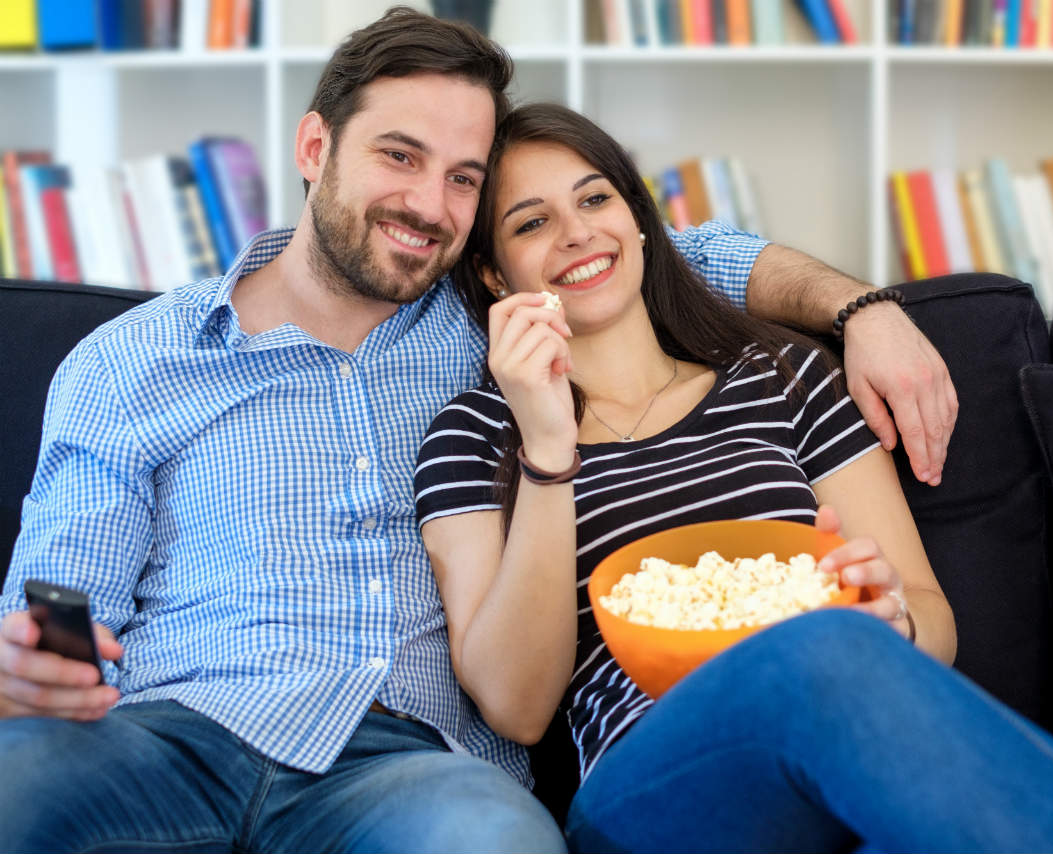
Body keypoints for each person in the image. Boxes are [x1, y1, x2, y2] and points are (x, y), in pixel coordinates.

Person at [0, 8, 958, 853]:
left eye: (464, 179)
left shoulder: (500, 317)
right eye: (399, 155)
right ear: (313, 147)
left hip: (409, 763)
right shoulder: (134, 358)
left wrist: (860, 307)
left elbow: (656, 254)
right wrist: (30, 668)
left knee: (493, 840)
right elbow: (59, 604)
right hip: (172, 734)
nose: (429, 206)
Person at [413, 102, 1053, 853]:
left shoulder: (783, 375)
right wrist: (545, 441)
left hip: (836, 746)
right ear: (495, 274)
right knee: (816, 652)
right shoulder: (473, 435)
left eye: (595, 198)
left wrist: (892, 619)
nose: (575, 233)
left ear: (639, 221)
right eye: (530, 223)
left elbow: (932, 621)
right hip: (651, 788)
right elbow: (517, 707)